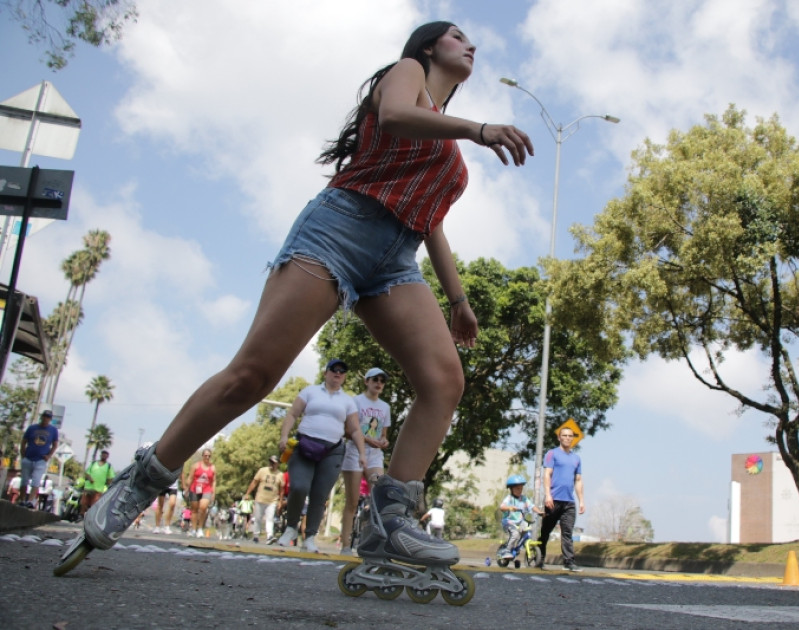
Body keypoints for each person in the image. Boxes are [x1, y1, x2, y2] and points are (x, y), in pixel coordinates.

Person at [73, 21, 532, 573]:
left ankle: (391, 524)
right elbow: (390, 115)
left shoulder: (439, 128)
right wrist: (479, 130)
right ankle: (140, 483)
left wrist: (457, 300)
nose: (471, 44)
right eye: (457, 36)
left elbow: (429, 219)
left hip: (395, 260)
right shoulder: (407, 74)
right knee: (252, 376)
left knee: (444, 380)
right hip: (338, 232)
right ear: (431, 46)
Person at [276, 359, 366, 552]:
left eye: (342, 371)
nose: (338, 373)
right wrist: (284, 436)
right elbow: (292, 414)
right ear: (326, 373)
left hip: (332, 450)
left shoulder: (348, 401)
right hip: (304, 445)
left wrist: (362, 454)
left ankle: (310, 536)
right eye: (334, 370)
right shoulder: (310, 391)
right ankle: (291, 527)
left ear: (345, 377)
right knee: (299, 487)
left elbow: (356, 430)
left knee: (319, 495)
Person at [340, 367, 391, 554]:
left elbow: (383, 433)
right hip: (354, 451)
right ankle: (345, 545)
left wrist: (383, 441)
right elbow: (348, 430)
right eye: (375, 379)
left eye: (382, 381)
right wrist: (367, 440)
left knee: (380, 497)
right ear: (366, 381)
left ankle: (375, 543)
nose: (379, 383)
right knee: (352, 501)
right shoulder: (355, 402)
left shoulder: (385, 407)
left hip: (375, 455)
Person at [538, 427, 585, 572]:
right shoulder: (552, 454)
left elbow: (578, 480)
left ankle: (569, 561)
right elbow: (547, 474)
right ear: (559, 437)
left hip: (569, 502)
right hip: (553, 500)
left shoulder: (576, 458)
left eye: (570, 436)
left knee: (567, 532)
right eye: (564, 435)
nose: (567, 438)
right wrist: (548, 495)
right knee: (546, 531)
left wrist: (581, 500)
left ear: (573, 438)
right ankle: (539, 558)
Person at [19, 410, 59, 509]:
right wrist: (23, 454)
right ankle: (22, 499)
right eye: (44, 416)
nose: (46, 419)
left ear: (50, 419)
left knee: (36, 481)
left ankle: (30, 501)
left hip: (41, 459)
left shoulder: (53, 430)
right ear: (41, 417)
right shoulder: (32, 428)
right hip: (28, 457)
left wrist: (49, 456)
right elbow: (23, 442)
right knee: (24, 481)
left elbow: (55, 445)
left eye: (48, 417)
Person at [498, 474, 541, 559]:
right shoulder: (509, 498)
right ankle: (507, 550)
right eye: (517, 489)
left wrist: (540, 512)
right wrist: (510, 507)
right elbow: (501, 507)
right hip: (509, 522)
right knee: (515, 534)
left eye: (521, 488)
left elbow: (531, 506)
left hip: (520, 521)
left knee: (528, 530)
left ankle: (518, 547)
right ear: (511, 489)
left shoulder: (524, 498)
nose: (519, 490)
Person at [244, 455, 285, 543]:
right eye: (271, 462)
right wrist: (247, 493)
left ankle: (269, 536)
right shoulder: (262, 470)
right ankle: (256, 536)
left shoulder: (280, 475)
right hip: (260, 498)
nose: (272, 464)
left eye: (274, 463)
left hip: (272, 500)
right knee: (258, 518)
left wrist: (280, 501)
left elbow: (282, 490)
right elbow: (254, 482)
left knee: (270, 518)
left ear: (278, 464)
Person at [186, 449, 216, 538]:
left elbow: (214, 481)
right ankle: (194, 529)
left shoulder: (213, 467)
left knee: (203, 508)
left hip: (207, 489)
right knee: (194, 510)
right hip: (195, 489)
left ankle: (200, 529)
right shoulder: (195, 466)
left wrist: (213, 493)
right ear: (202, 456)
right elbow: (190, 478)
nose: (207, 457)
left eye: (209, 456)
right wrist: (187, 488)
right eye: (205, 455)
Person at [80, 450, 115, 516]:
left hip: (99, 488)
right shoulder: (94, 463)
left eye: (105, 455)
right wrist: (90, 479)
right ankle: (81, 514)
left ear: (107, 457)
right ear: (100, 455)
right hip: (89, 487)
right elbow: (87, 473)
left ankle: (90, 515)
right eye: (103, 454)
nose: (104, 456)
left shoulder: (108, 466)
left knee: (94, 504)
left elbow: (111, 477)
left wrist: (109, 485)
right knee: (84, 502)